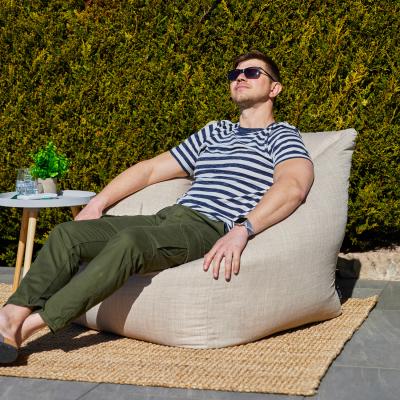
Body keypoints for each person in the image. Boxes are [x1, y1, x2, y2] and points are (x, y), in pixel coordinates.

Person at [0, 50, 314, 364]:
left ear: (275, 88)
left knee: (131, 241)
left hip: (208, 227)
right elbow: (150, 170)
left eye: (253, 73)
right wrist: (97, 203)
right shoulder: (215, 131)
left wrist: (243, 230)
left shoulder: (281, 135)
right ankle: (9, 316)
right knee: (68, 234)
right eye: (235, 74)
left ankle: (27, 327)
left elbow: (293, 186)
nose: (241, 77)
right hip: (169, 218)